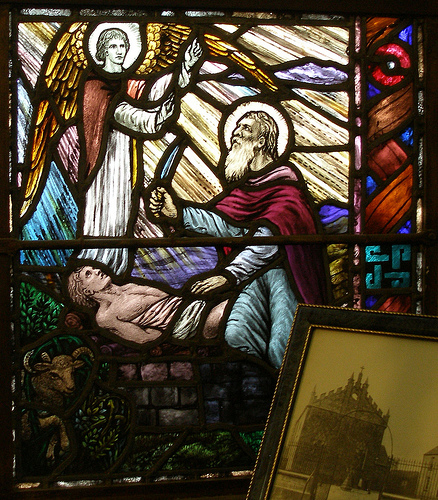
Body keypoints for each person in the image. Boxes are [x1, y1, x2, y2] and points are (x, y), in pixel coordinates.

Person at [148, 104, 328, 368]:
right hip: (251, 278)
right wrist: (179, 213)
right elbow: (226, 226)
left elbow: (268, 241)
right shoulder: (245, 191)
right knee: (235, 335)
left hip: (286, 278)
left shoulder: (287, 192)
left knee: (284, 348)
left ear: (261, 141)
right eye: (236, 128)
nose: (235, 134)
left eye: (244, 128)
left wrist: (228, 276)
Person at [77, 26, 202, 274]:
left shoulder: (126, 81)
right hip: (105, 165)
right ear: (102, 51)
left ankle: (116, 270)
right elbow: (131, 116)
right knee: (105, 214)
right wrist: (156, 116)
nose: (119, 51)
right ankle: (95, 267)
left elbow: (156, 91)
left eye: (122, 45)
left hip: (123, 159)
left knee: (122, 213)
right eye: (113, 46)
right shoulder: (95, 85)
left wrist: (185, 68)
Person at [67, 265, 227, 344]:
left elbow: (166, 295)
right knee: (232, 307)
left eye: (94, 268)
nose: (97, 271)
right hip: (184, 323)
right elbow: (144, 338)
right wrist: (167, 327)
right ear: (87, 291)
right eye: (89, 274)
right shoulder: (105, 316)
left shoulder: (128, 286)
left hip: (192, 306)